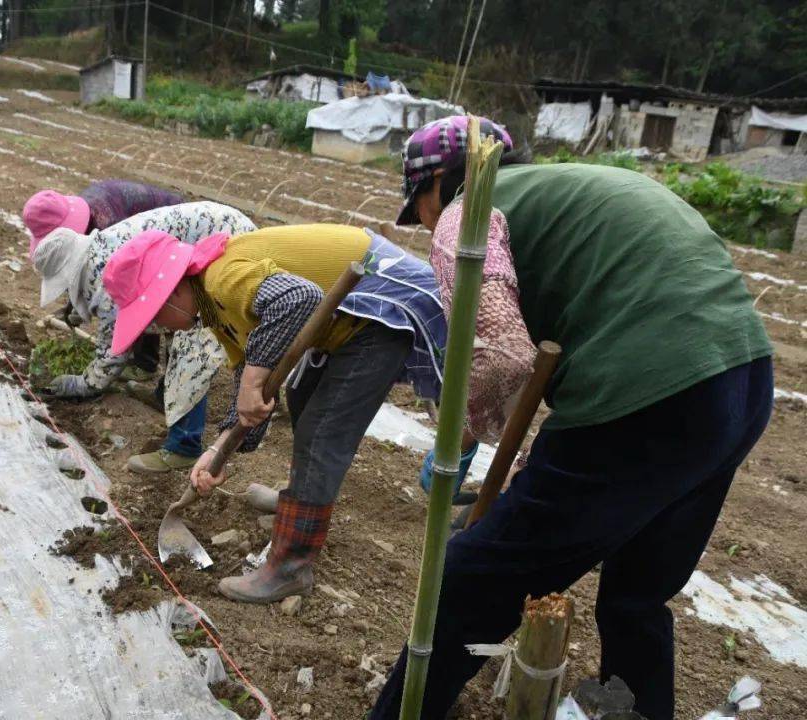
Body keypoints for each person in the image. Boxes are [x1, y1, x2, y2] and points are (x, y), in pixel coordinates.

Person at [369, 116, 774, 720]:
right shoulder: (577, 185)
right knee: (636, 594)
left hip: (644, 393)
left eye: (418, 207)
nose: (424, 221)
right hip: (741, 382)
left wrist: (465, 437)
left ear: (438, 186)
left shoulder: (468, 213)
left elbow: (500, 355)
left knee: (473, 574)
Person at [101, 224, 465, 604]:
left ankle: (290, 569)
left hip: (379, 305)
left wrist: (252, 380)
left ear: (172, 291)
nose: (158, 327)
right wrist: (219, 450)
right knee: (302, 394)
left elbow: (298, 299)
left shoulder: (222, 277)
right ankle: (297, 500)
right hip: (345, 314)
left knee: (323, 431)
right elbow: (253, 379)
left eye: (155, 316)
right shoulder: (212, 308)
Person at [27, 197, 256, 474]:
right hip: (214, 231)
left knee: (192, 345)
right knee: (178, 325)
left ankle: (184, 446)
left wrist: (84, 384)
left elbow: (113, 350)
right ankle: (164, 396)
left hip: (225, 244)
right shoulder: (98, 250)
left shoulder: (106, 273)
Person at [24, 181, 184, 381]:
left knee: (155, 299)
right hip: (149, 232)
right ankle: (146, 364)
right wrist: (75, 303)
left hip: (176, 227)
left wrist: (88, 381)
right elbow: (80, 267)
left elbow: (118, 298)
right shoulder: (86, 220)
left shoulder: (107, 224)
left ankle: (160, 377)